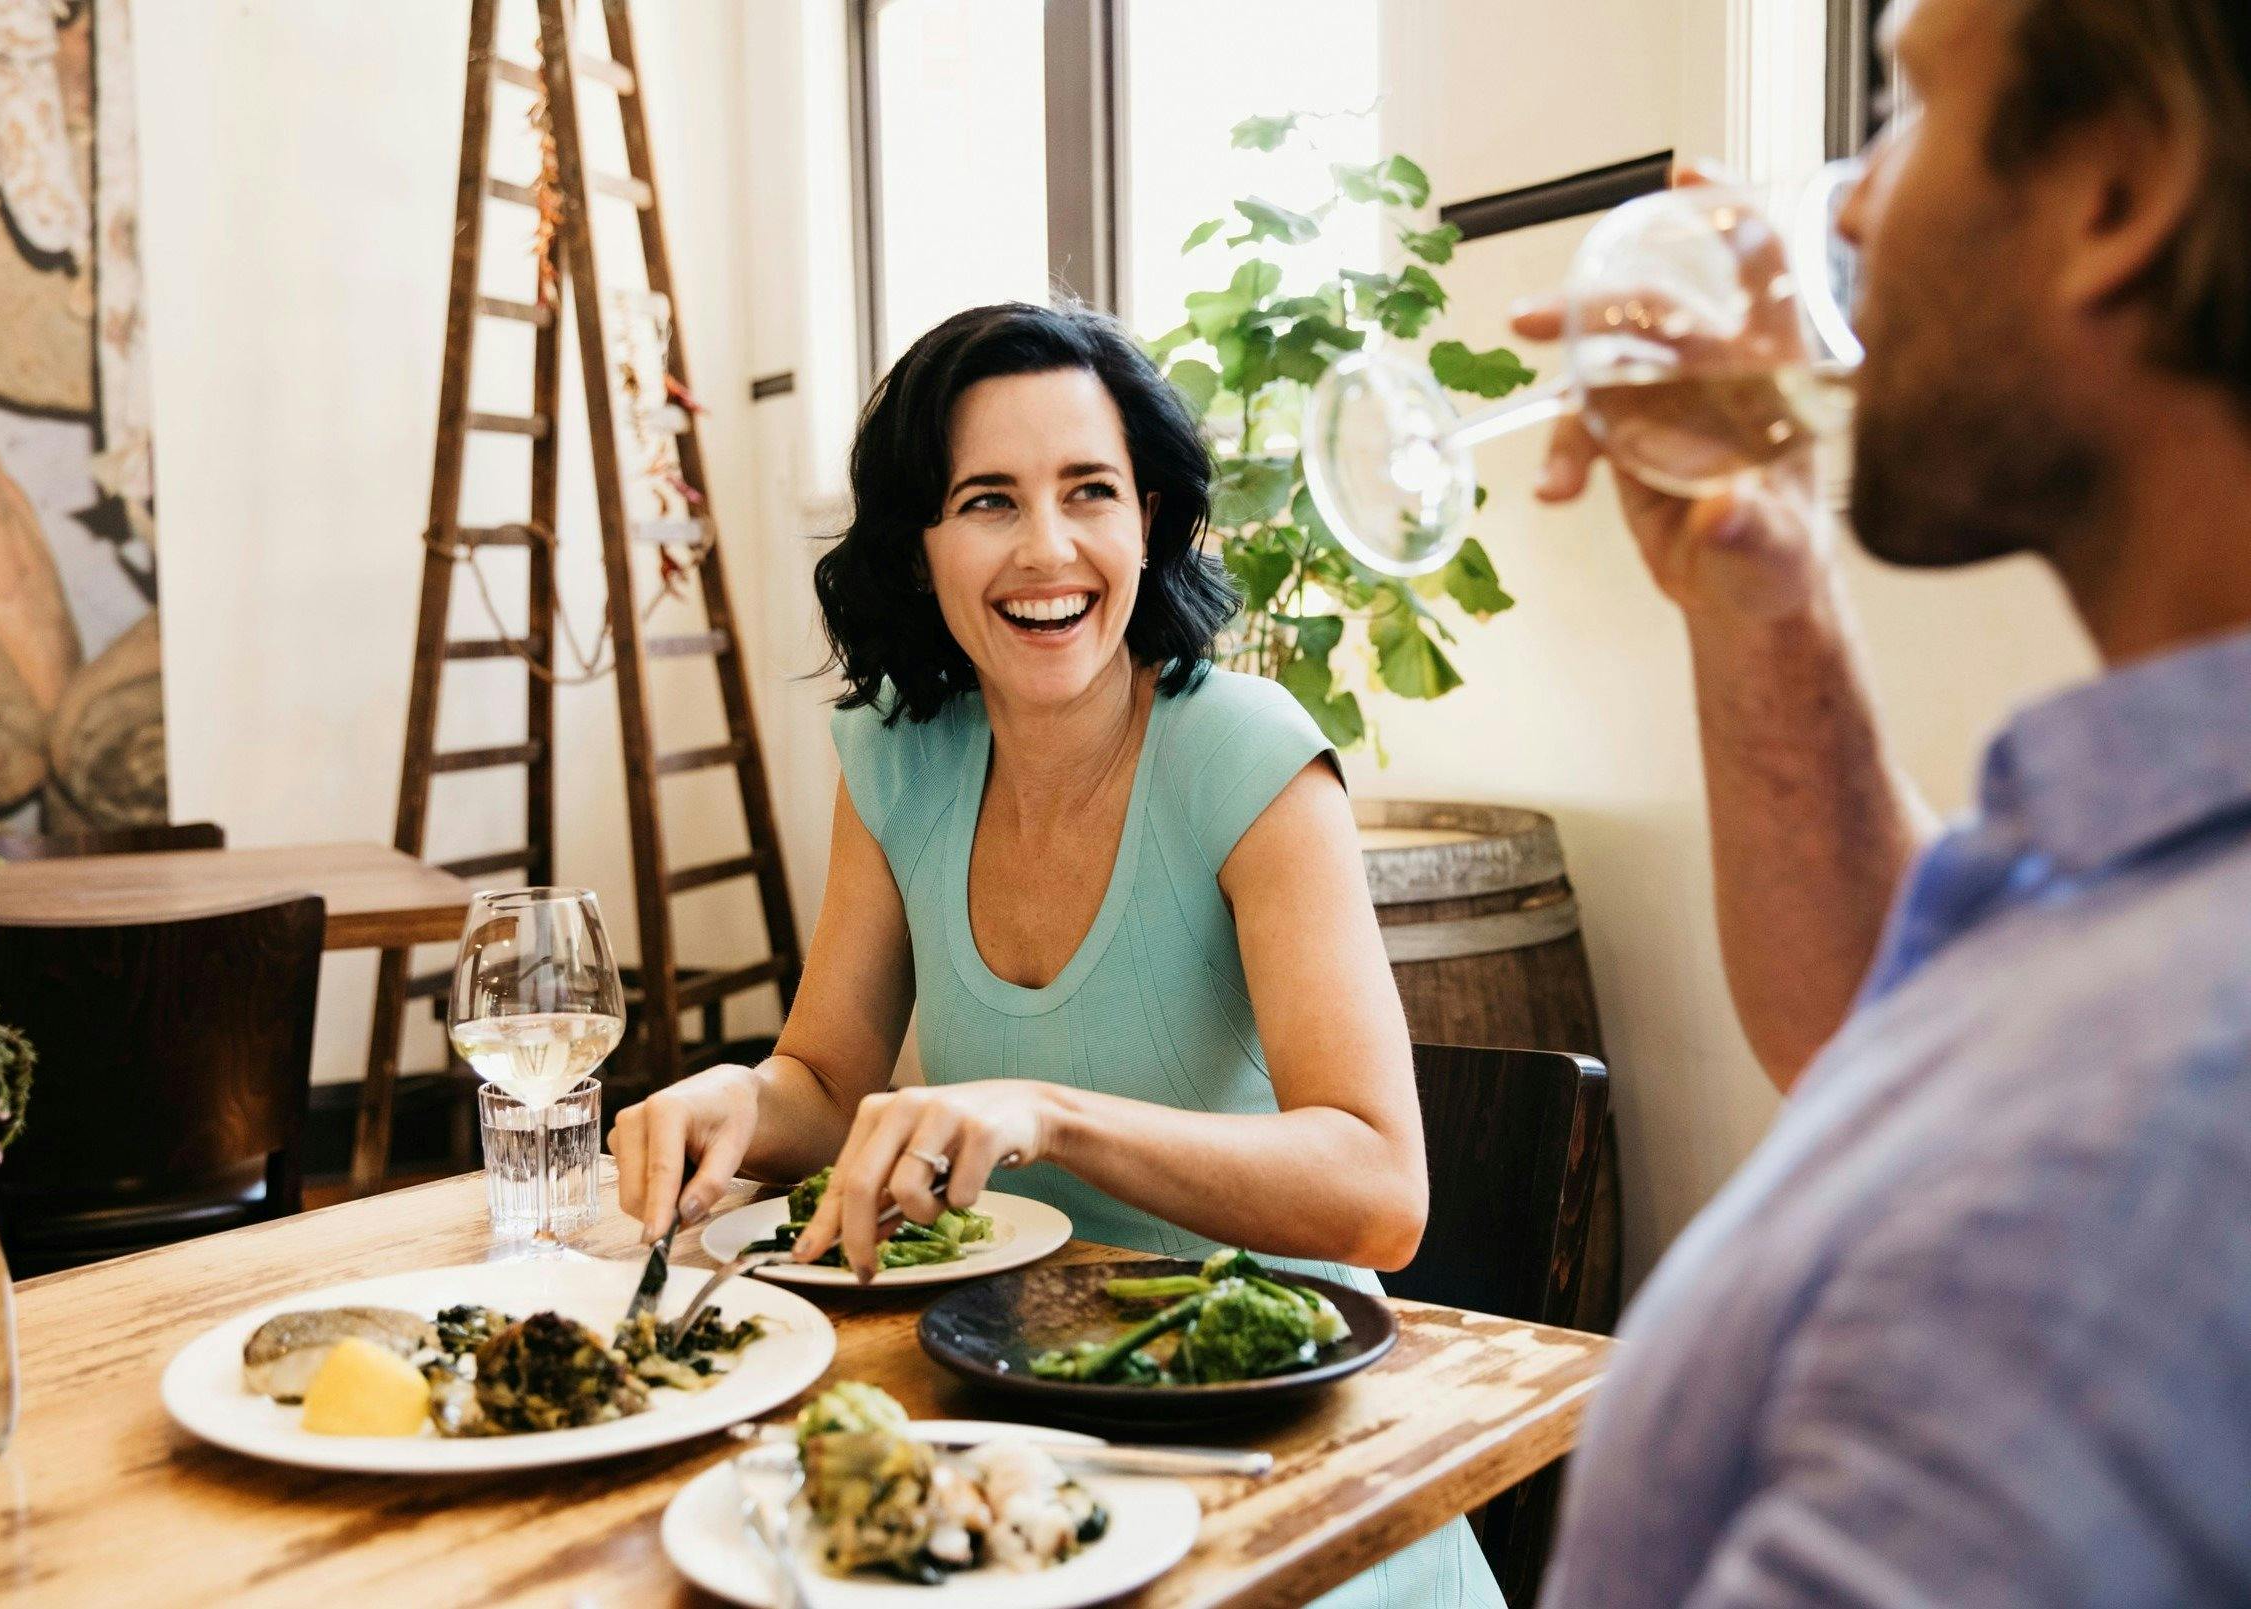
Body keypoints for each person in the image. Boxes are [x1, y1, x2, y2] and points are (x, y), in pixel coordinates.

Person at [609, 301, 1501, 1607]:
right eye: (988, 500)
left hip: (1282, 1438)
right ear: (918, 545)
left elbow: (1381, 1193)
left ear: (1148, 518)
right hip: (1019, 1418)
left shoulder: (1250, 759)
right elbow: (827, 1078)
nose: (1048, 547)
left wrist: (1050, 1114)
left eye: (1091, 491)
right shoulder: (899, 757)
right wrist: (736, 1100)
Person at [1524, 0, 2251, 1601]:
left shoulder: (2127, 1149)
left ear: (2117, 194)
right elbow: (1887, 1029)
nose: (1848, 207)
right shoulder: (2159, 855)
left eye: (1910, 107)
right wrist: (1766, 596)